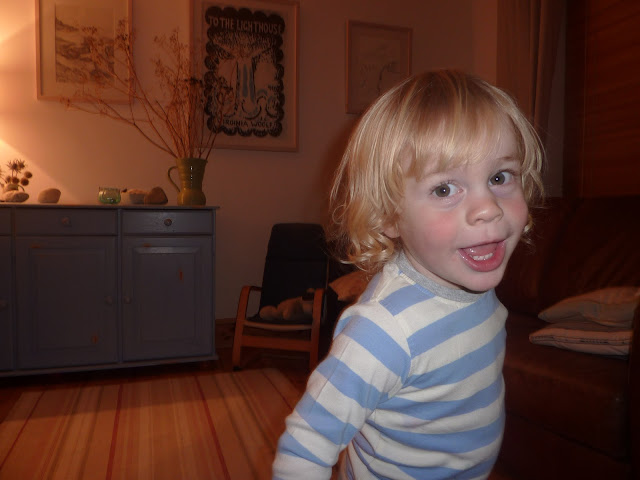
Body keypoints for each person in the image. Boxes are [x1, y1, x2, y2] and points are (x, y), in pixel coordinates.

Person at [273, 69, 544, 479]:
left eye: (499, 177)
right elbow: (304, 447)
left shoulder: (469, 279)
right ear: (388, 216)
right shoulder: (382, 332)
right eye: (444, 189)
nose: (488, 207)